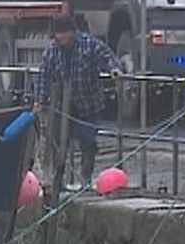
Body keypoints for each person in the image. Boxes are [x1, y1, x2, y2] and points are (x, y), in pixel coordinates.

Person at [34, 14, 122, 187]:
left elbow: (107, 55)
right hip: (63, 107)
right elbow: (44, 74)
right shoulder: (52, 51)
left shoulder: (88, 45)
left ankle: (85, 179)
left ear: (73, 32)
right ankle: (59, 179)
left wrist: (114, 69)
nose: (61, 37)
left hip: (89, 105)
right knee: (59, 143)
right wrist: (41, 99)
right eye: (58, 34)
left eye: (64, 33)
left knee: (88, 142)